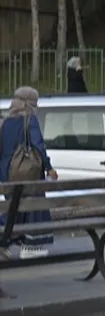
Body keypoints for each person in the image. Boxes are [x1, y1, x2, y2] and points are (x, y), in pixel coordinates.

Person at [0, 87, 59, 260]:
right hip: (27, 172)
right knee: (34, 206)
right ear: (29, 102)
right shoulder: (30, 119)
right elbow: (38, 145)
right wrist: (49, 168)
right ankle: (31, 245)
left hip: (7, 174)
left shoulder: (5, 122)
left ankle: (4, 242)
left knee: (13, 207)